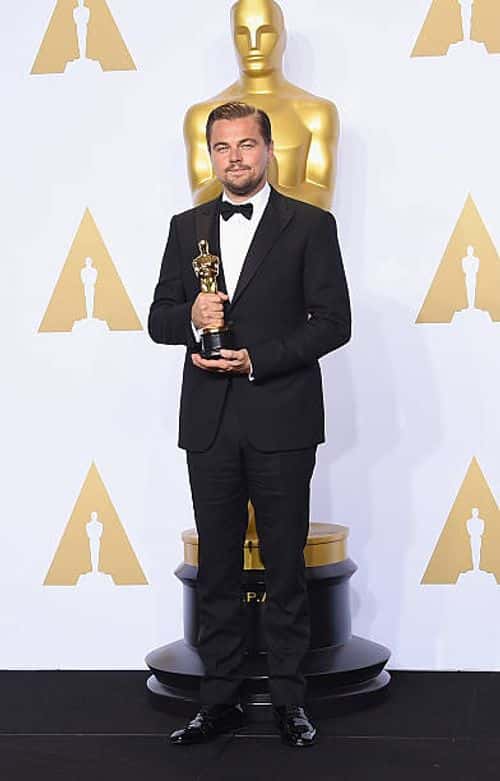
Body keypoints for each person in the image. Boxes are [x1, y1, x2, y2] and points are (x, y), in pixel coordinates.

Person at [148, 101, 351, 748]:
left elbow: (334, 322)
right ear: (210, 154)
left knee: (286, 564)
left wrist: (257, 358)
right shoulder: (186, 227)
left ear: (267, 150)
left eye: (245, 144)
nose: (233, 157)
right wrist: (190, 317)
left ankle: (290, 701)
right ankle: (219, 702)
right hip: (208, 421)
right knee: (217, 568)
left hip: (282, 415)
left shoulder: (310, 224)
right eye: (222, 147)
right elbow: (158, 318)